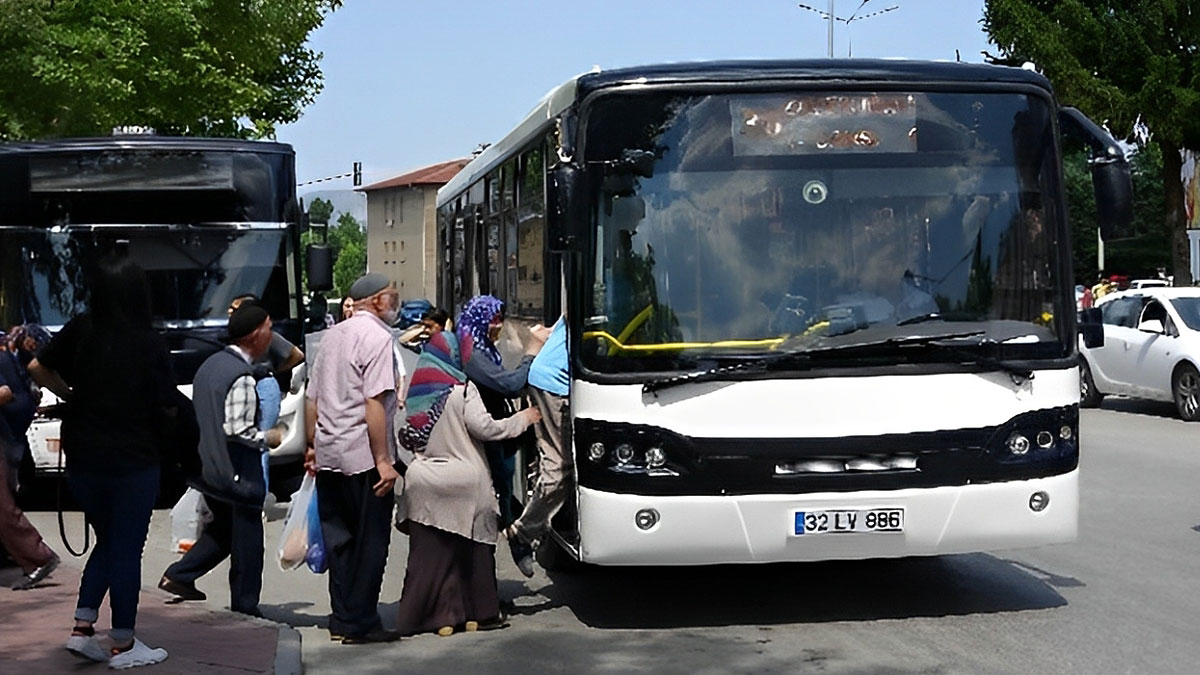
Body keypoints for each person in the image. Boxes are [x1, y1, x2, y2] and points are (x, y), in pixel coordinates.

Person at [29, 256, 173, 668]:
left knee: (110, 540)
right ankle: (124, 641)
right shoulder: (148, 341)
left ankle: (83, 626)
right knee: (127, 549)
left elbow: (37, 365)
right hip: (134, 457)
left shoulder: (80, 329)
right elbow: (165, 402)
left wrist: (73, 394)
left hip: (84, 457)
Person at [395, 331, 540, 636]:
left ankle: (439, 619)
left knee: (431, 558)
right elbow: (485, 428)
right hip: (465, 481)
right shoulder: (461, 389)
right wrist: (524, 419)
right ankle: (480, 615)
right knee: (475, 553)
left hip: (424, 483)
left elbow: (404, 437)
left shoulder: (416, 391)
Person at [157, 304, 283, 616]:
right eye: (269, 326)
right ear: (255, 334)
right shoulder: (240, 375)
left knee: (223, 533)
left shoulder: (210, 365)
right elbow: (237, 428)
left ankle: (179, 575)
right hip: (236, 471)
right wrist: (269, 437)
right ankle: (245, 607)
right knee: (248, 546)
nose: (273, 333)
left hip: (211, 468)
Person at [304, 273, 404, 644]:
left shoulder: (333, 336)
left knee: (339, 540)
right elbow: (374, 401)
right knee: (370, 542)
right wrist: (383, 460)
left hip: (330, 453)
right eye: (391, 296)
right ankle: (361, 621)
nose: (395, 303)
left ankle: (342, 617)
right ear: (377, 301)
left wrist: (312, 444)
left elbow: (312, 398)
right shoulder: (377, 338)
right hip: (363, 457)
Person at [455, 295, 548, 529]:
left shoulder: (479, 344)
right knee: (501, 483)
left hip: (495, 424)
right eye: (493, 320)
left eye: (500, 320)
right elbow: (508, 385)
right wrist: (530, 354)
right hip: (488, 430)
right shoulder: (472, 352)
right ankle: (511, 531)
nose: (498, 326)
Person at [503, 315, 570, 577]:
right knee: (562, 467)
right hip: (553, 386)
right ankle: (522, 533)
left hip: (548, 379)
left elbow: (553, 328)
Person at [0, 325, 59, 590]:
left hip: (5, 435)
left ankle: (37, 557)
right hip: (11, 435)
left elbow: (5, 392)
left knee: (1, 506)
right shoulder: (7, 345)